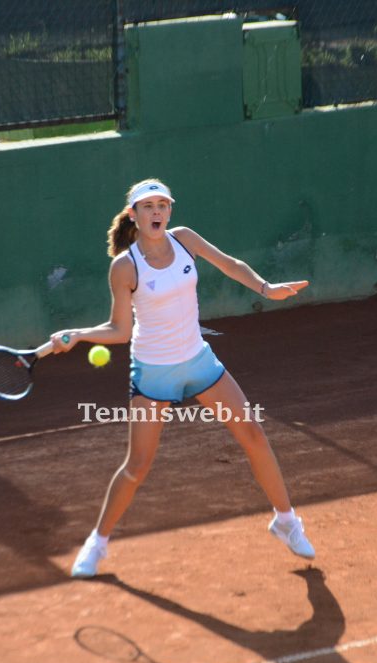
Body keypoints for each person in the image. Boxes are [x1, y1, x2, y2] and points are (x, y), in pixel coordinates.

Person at [48, 179, 315, 578]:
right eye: (148, 206)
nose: (156, 212)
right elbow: (120, 330)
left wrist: (265, 287)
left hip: (198, 360)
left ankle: (286, 521)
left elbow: (228, 263)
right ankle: (97, 542)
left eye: (162, 205)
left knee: (254, 435)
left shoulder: (185, 239)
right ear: (134, 216)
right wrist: (80, 334)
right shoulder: (124, 266)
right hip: (154, 371)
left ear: (169, 212)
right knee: (138, 466)